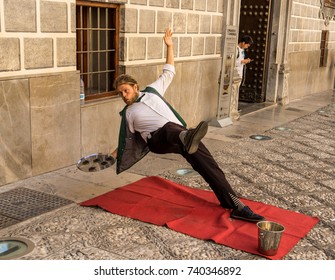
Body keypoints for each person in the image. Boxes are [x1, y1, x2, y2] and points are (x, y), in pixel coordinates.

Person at [111, 29, 264, 223]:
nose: (124, 96)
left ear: (135, 87)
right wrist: (109, 157)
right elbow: (126, 141)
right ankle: (186, 136)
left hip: (182, 136)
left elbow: (169, 70)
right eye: (120, 94)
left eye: (125, 91)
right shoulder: (128, 114)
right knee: (170, 128)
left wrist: (170, 46)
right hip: (159, 141)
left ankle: (235, 205)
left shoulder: (152, 91)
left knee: (210, 167)